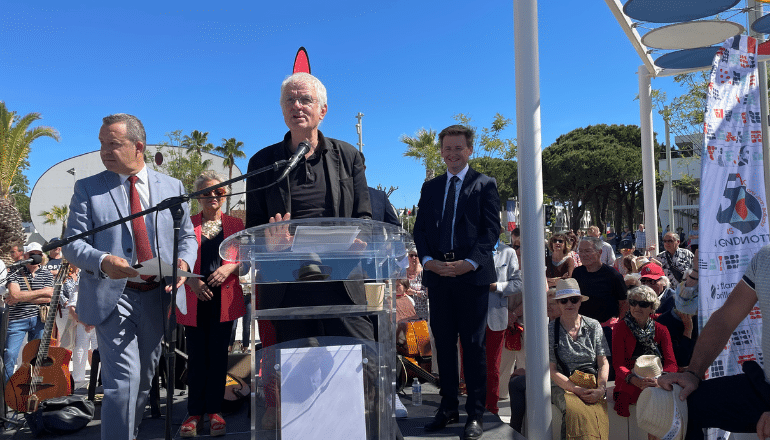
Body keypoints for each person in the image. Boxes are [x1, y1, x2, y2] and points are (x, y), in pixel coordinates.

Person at [244, 73, 375, 431]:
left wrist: (359, 237)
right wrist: (267, 240)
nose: (297, 106)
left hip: (342, 282)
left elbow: (365, 215)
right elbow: (252, 226)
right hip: (286, 285)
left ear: (323, 110)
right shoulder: (262, 162)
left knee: (358, 364)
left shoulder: (349, 156)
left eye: (304, 100)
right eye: (289, 101)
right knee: (294, 379)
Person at [62, 113, 197, 440]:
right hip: (113, 296)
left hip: (158, 296)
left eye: (113, 144)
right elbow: (71, 244)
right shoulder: (88, 188)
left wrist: (184, 264)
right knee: (122, 383)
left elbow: (188, 238)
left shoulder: (173, 187)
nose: (104, 151)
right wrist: (103, 260)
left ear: (139, 146)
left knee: (142, 382)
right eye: (101, 144)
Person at [414, 124, 500, 440]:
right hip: (438, 276)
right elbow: (420, 230)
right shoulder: (431, 187)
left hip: (471, 278)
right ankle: (448, 407)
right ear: (441, 151)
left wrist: (468, 264)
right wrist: (429, 262)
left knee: (474, 346)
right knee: (444, 346)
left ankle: (475, 415)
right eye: (447, 148)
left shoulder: (485, 184)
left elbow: (491, 232)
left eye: (458, 148)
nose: (452, 154)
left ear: (469, 150)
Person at [658, 244, 770, 440]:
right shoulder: (765, 257)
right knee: (679, 407)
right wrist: (693, 373)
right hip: (765, 387)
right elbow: (725, 319)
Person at [175, 171, 246, 437]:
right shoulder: (186, 224)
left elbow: (246, 262)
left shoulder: (236, 226)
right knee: (196, 359)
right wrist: (191, 281)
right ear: (198, 197)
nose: (212, 197)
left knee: (218, 359)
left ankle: (215, 411)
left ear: (225, 196)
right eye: (206, 193)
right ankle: (194, 413)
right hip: (194, 299)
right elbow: (175, 259)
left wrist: (230, 269)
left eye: (218, 192)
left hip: (225, 301)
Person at [612, 285, 678, 427]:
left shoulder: (661, 330)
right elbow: (618, 364)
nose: (637, 307)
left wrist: (660, 380)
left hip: (657, 381)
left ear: (652, 307)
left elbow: (671, 363)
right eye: (633, 303)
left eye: (643, 304)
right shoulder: (620, 328)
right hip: (629, 381)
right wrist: (634, 379)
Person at [483, 229, 522, 414]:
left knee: (493, 366)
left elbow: (517, 283)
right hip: (471, 317)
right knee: (470, 365)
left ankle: (491, 407)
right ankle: (472, 405)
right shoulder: (470, 250)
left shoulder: (508, 252)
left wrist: (496, 287)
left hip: (496, 318)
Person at [3, 242, 54, 383]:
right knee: (10, 354)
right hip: (17, 320)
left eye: (38, 254)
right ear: (25, 256)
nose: (36, 256)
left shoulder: (46, 274)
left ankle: (31, 387)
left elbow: (50, 296)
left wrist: (21, 297)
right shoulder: (15, 271)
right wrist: (41, 294)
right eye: (32, 254)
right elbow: (14, 294)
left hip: (39, 320)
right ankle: (7, 389)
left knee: (36, 356)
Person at [639, 263, 697, 369]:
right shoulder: (665, 321)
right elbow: (678, 361)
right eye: (643, 281)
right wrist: (687, 330)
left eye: (652, 281)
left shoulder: (706, 318)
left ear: (664, 282)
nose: (647, 285)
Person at [572, 237, 628, 327]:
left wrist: (618, 324)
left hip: (606, 327)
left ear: (600, 252)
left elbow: (624, 302)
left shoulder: (613, 275)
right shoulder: (577, 273)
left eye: (587, 251)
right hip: (582, 327)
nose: (583, 254)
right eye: (581, 251)